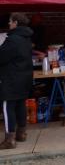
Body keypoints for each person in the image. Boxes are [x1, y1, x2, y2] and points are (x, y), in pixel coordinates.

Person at [0, 13, 33, 149]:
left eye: (10, 21)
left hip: (11, 79)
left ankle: (9, 140)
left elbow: (1, 57)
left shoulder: (13, 39)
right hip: (24, 78)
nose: (9, 24)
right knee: (20, 105)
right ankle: (21, 134)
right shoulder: (26, 38)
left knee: (8, 107)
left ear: (16, 23)